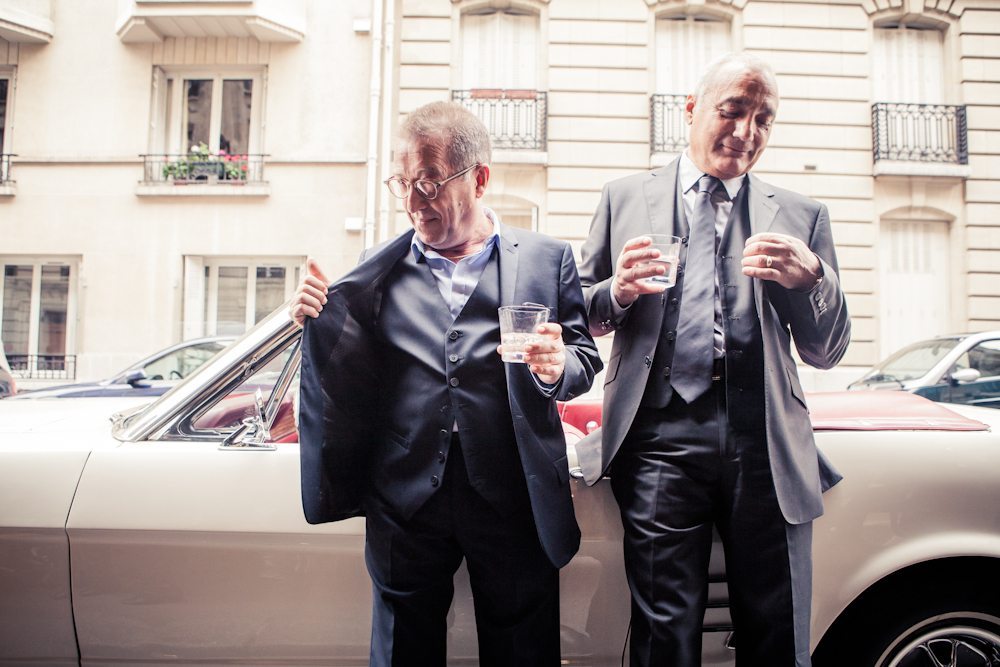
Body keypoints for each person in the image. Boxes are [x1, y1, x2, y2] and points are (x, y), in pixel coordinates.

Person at [292, 100, 602, 667]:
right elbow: (349, 370)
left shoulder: (547, 258)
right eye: (403, 184)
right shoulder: (377, 267)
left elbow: (583, 358)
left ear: (479, 179)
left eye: (429, 183)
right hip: (406, 498)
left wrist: (558, 366)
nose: (414, 201)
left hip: (513, 493)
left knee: (522, 652)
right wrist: (314, 316)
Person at [576, 53, 851, 666]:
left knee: (777, 628)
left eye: (763, 119)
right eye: (732, 111)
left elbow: (827, 351)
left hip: (767, 438)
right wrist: (618, 290)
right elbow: (580, 318)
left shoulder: (803, 215)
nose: (747, 132)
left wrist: (813, 278)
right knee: (662, 633)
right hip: (658, 436)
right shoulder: (623, 198)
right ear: (692, 110)